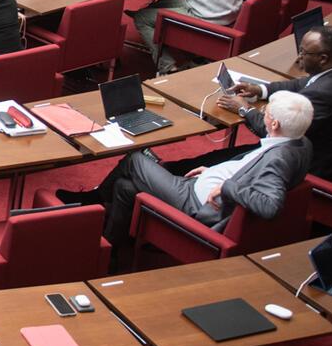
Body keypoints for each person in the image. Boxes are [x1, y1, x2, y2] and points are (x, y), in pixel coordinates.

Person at [61, 91, 314, 249]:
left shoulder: (280, 159)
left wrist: (226, 186)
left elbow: (270, 205)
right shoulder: (300, 140)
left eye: (265, 112)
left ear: (275, 123)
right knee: (125, 187)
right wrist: (214, 171)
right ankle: (112, 250)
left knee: (135, 159)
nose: (263, 114)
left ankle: (91, 200)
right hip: (199, 187)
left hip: (197, 204)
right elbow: (249, 166)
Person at [220, 26, 332, 181]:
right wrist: (259, 89)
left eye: (304, 52)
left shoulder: (322, 94)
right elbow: (299, 84)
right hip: (302, 151)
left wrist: (244, 109)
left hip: (301, 167)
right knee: (219, 158)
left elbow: (276, 131)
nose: (299, 57)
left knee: (198, 166)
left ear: (323, 58)